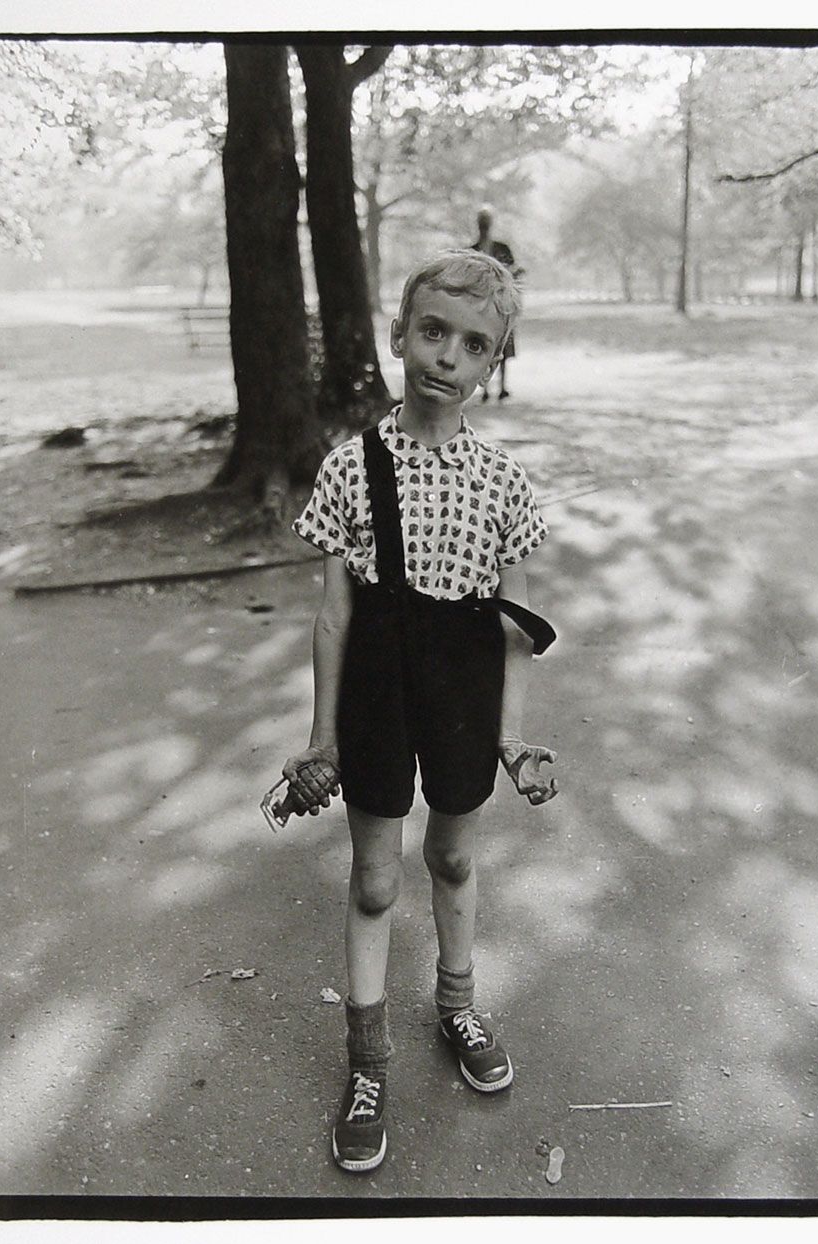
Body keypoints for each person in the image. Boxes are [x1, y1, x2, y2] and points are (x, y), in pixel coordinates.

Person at [281, 249, 558, 1174]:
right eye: (432, 331)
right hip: (375, 690)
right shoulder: (350, 468)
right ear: (399, 335)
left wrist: (513, 737)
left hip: (463, 692)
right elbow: (332, 614)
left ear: (494, 364)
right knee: (373, 879)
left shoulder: (507, 486)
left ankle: (457, 1003)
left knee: (451, 855)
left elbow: (518, 628)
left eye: (473, 344)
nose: (447, 355)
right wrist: (320, 736)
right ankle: (366, 1065)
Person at [469, 207, 524, 400]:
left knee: (502, 346)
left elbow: (514, 271)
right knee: (483, 346)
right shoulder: (472, 251)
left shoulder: (501, 248)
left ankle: (502, 387)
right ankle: (485, 389)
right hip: (480, 307)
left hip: (501, 304)